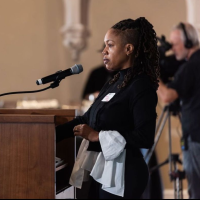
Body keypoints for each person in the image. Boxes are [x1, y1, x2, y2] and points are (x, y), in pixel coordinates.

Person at [56, 17, 159, 199]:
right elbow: (86, 119)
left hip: (124, 175)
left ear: (128, 49)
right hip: (103, 169)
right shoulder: (114, 81)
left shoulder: (140, 85)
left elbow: (145, 136)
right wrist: (51, 134)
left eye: (110, 45)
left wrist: (97, 136)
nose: (104, 51)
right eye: (105, 45)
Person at [157, 22, 200, 199]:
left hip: (196, 138)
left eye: (175, 44)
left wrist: (151, 73)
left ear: (188, 42)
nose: (172, 49)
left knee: (196, 190)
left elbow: (167, 96)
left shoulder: (190, 67)